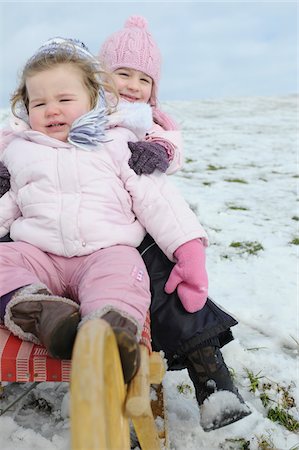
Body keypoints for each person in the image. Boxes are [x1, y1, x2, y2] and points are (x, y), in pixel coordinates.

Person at [0, 37, 209, 386]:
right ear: (24, 109)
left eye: (65, 100)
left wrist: (188, 249)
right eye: (39, 103)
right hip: (38, 253)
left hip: (106, 251)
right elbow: (8, 205)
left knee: (125, 276)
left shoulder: (116, 143)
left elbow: (157, 200)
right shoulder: (20, 152)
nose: (52, 110)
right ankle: (41, 312)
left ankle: (109, 332)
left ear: (94, 100)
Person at [96, 15, 251, 430]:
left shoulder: (154, 122)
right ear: (100, 76)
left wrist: (159, 152)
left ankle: (213, 381)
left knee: (170, 281)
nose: (132, 84)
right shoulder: (81, 112)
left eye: (143, 79)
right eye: (122, 73)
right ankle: (121, 401)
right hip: (91, 229)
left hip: (140, 222)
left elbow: (172, 147)